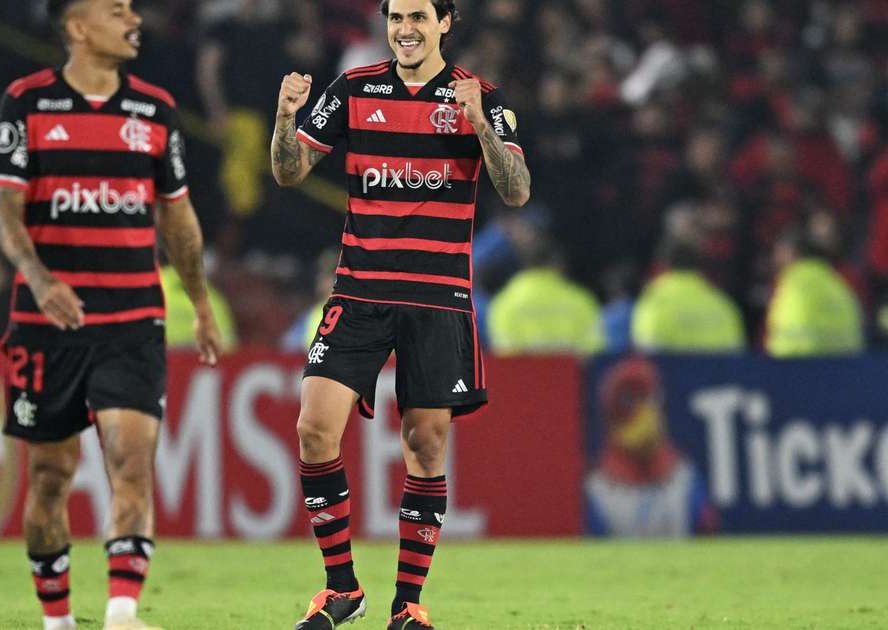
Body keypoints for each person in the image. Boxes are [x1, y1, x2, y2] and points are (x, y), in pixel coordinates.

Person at [270, 1, 531, 628]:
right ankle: (341, 589)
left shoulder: (480, 96)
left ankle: (407, 605)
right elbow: (289, 171)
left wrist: (479, 123)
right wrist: (284, 119)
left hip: (437, 296)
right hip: (359, 291)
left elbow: (517, 189)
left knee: (424, 445)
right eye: (395, 18)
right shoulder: (354, 89)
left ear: (445, 22)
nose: (405, 29)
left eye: (418, 16)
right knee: (313, 428)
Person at [0, 2, 223, 629]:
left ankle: (121, 613)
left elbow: (178, 217)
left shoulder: (154, 110)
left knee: (131, 461)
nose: (133, 17)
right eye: (116, 9)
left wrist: (200, 303)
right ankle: (58, 620)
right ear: (77, 28)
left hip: (132, 317)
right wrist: (40, 280)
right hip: (48, 325)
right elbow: (4, 209)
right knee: (50, 476)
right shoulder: (26, 102)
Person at [585, 356, 716, 537]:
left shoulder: (685, 479)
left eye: (648, 398)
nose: (644, 413)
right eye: (630, 401)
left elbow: (708, 534)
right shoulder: (597, 491)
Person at [631, 208, 745, 354]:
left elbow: (646, 352)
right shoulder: (722, 303)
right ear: (700, 263)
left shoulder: (654, 301)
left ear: (664, 263)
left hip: (670, 369)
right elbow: (736, 355)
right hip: (716, 369)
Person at [488, 224, 603, 356]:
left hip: (523, 370)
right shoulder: (581, 300)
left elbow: (505, 357)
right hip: (568, 370)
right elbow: (593, 354)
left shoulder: (503, 303)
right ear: (559, 262)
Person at [765, 224, 864, 357]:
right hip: (846, 363)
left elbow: (782, 341)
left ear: (791, 253)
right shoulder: (837, 283)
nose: (775, 257)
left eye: (779, 250)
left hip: (796, 363)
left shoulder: (792, 284)